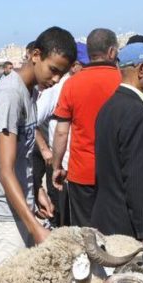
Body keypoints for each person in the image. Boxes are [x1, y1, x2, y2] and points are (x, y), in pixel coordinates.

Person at [0, 26, 77, 265]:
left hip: (18, 208)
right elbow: (5, 171)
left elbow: (21, 156)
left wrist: (34, 191)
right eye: (53, 70)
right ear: (35, 55)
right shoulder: (11, 96)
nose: (55, 80)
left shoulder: (29, 92)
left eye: (61, 75)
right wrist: (37, 229)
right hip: (3, 214)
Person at [92, 43, 143, 241]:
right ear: (142, 69)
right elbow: (137, 176)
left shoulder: (108, 107)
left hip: (105, 217)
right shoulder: (136, 112)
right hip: (126, 227)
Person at [51, 28, 122, 227]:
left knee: (86, 233)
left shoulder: (72, 85)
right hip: (116, 171)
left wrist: (57, 167)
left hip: (82, 173)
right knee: (115, 232)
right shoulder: (122, 81)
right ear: (112, 52)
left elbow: (61, 131)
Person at [35, 42, 87, 228]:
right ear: (74, 66)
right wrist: (45, 150)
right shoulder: (57, 89)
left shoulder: (84, 86)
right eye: (85, 66)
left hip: (81, 167)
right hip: (62, 167)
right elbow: (30, 122)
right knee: (65, 219)